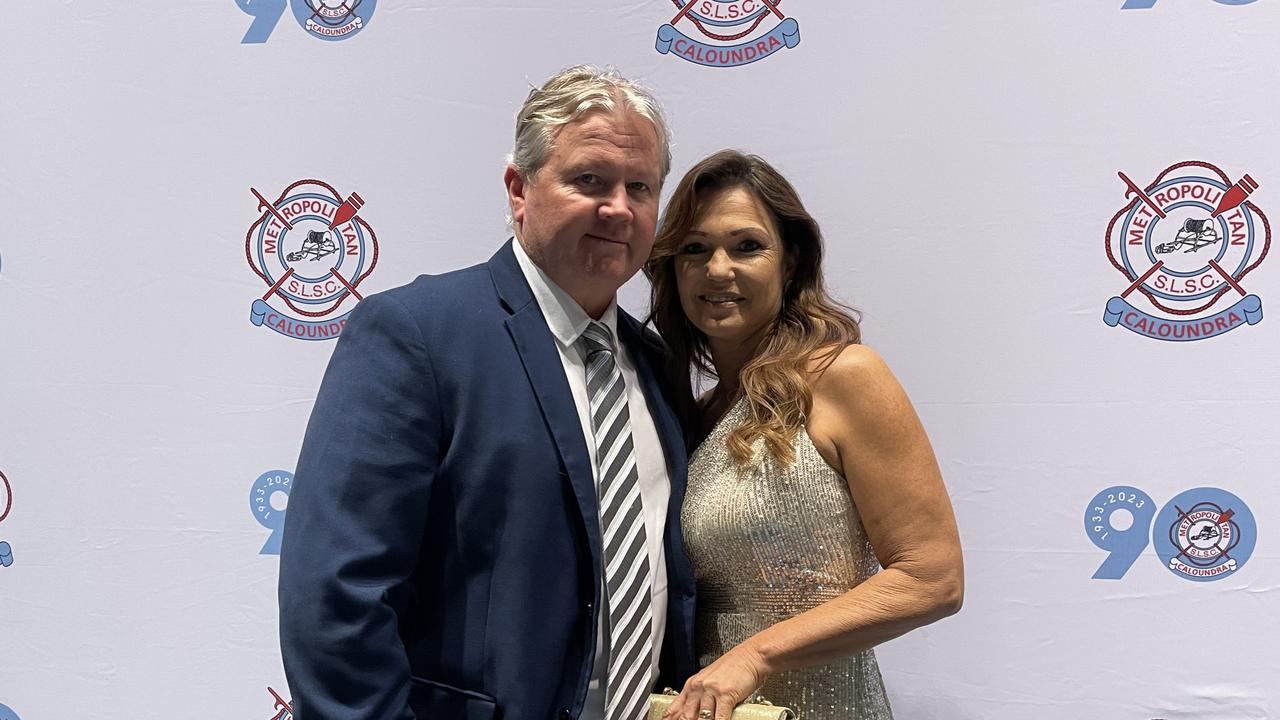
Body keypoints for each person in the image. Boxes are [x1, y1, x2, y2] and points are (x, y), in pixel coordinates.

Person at [278, 66, 697, 720]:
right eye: (588, 179)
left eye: (639, 187)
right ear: (518, 189)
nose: (618, 207)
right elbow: (335, 596)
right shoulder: (416, 334)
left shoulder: (654, 365)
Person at [644, 150, 964, 720]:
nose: (718, 270)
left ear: (790, 262)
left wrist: (756, 656)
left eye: (747, 246)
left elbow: (932, 579)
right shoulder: (689, 415)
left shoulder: (844, 376)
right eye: (695, 249)